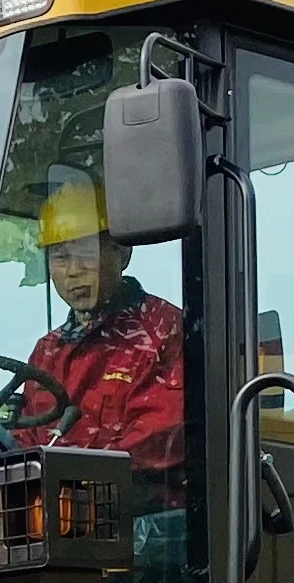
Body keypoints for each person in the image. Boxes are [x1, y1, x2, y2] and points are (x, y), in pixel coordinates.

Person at [15, 171, 187, 470]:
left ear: (121, 253)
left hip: (138, 510)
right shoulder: (47, 351)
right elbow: (22, 435)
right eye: (60, 257)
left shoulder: (165, 331)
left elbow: (158, 443)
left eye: (86, 252)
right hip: (53, 508)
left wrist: (75, 483)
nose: (73, 270)